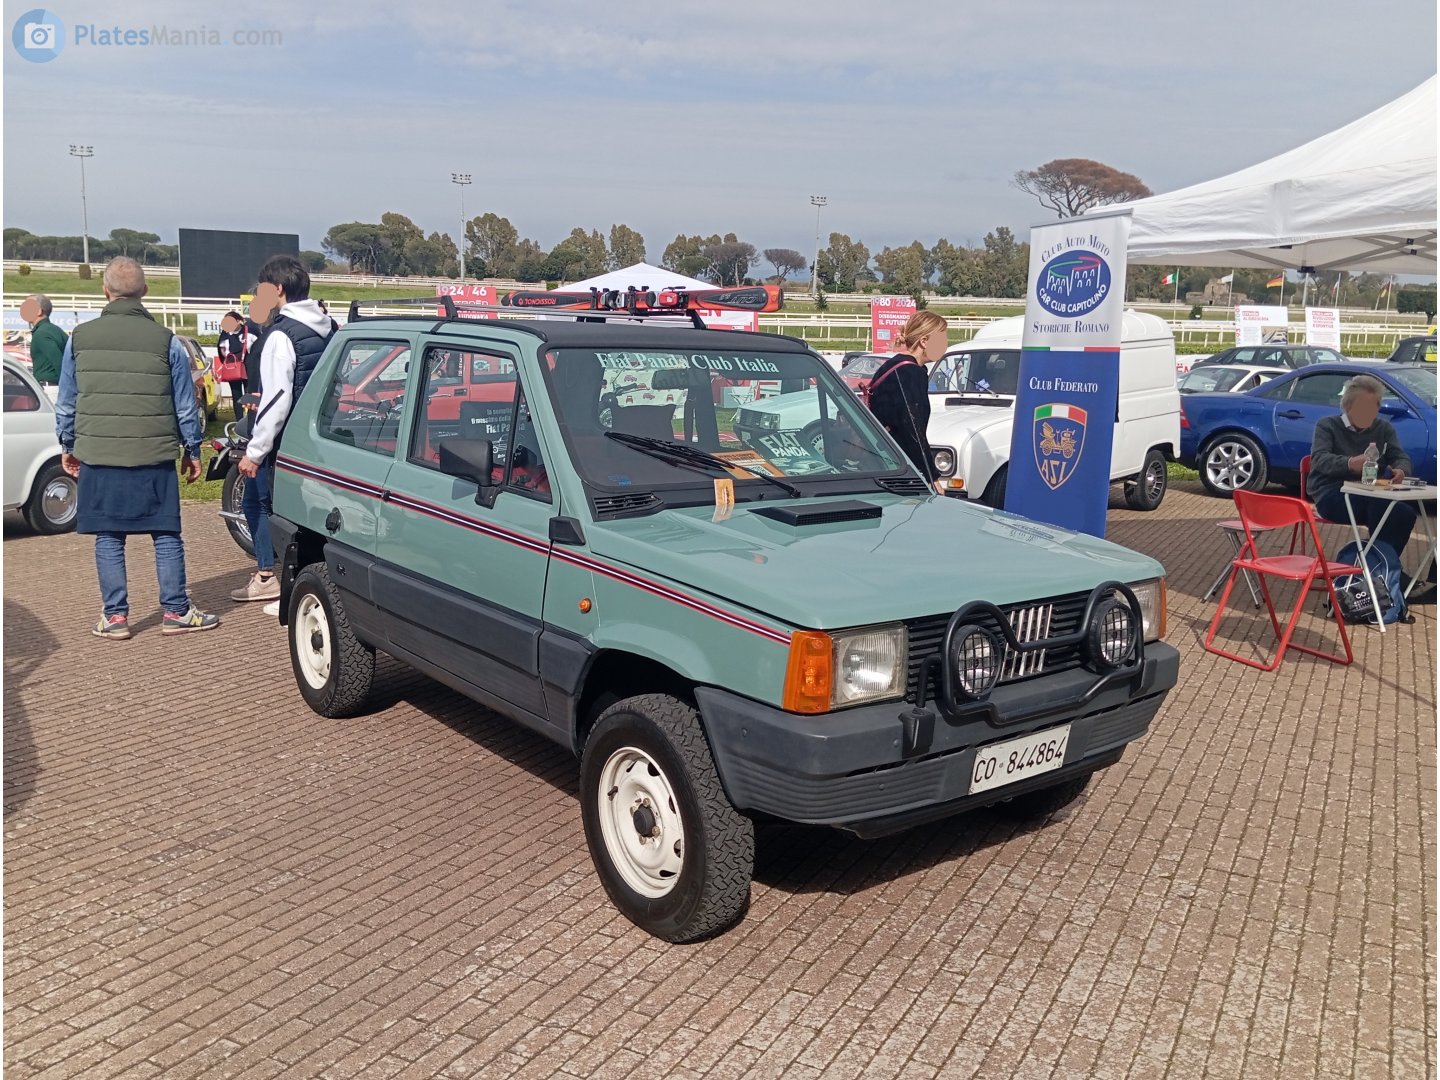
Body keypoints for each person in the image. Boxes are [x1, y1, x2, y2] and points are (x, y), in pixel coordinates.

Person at [54, 257, 220, 639]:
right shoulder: (167, 340)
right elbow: (185, 404)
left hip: (99, 453)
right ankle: (176, 610)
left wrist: (68, 443)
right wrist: (193, 450)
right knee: (165, 532)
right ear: (144, 291)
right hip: (154, 454)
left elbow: (67, 402)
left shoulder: (79, 338)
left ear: (105, 291)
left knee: (108, 535)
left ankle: (115, 618)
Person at [233, 255, 335, 607]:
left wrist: (255, 452)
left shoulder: (280, 335)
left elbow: (276, 399)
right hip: (319, 436)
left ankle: (267, 577)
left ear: (277, 289)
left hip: (284, 441)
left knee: (257, 503)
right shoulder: (330, 327)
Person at [1309, 373, 1433, 599]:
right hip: (1332, 493)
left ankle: (1379, 571)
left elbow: (1401, 456)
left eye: (1373, 408)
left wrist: (1401, 470)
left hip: (1373, 491)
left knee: (1403, 513)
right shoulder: (1327, 425)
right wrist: (1349, 463)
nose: (1369, 415)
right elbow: (1319, 460)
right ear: (1348, 406)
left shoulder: (1383, 428)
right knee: (1381, 508)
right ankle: (1385, 574)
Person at [865, 310, 948, 488]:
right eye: (942, 339)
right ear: (924, 341)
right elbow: (913, 430)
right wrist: (932, 478)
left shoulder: (894, 364)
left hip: (877, 457)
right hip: (897, 466)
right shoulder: (910, 373)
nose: (945, 345)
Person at [24, 294, 67, 391]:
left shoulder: (41, 333)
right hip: (54, 387)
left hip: (48, 389)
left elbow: (59, 363)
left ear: (39, 311)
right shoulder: (56, 330)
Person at [215, 311, 249, 422]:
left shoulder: (247, 331)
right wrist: (228, 360)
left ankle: (251, 419)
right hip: (232, 367)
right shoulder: (225, 333)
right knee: (236, 394)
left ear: (238, 321)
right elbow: (221, 349)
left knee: (249, 392)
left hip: (247, 367)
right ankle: (239, 420)